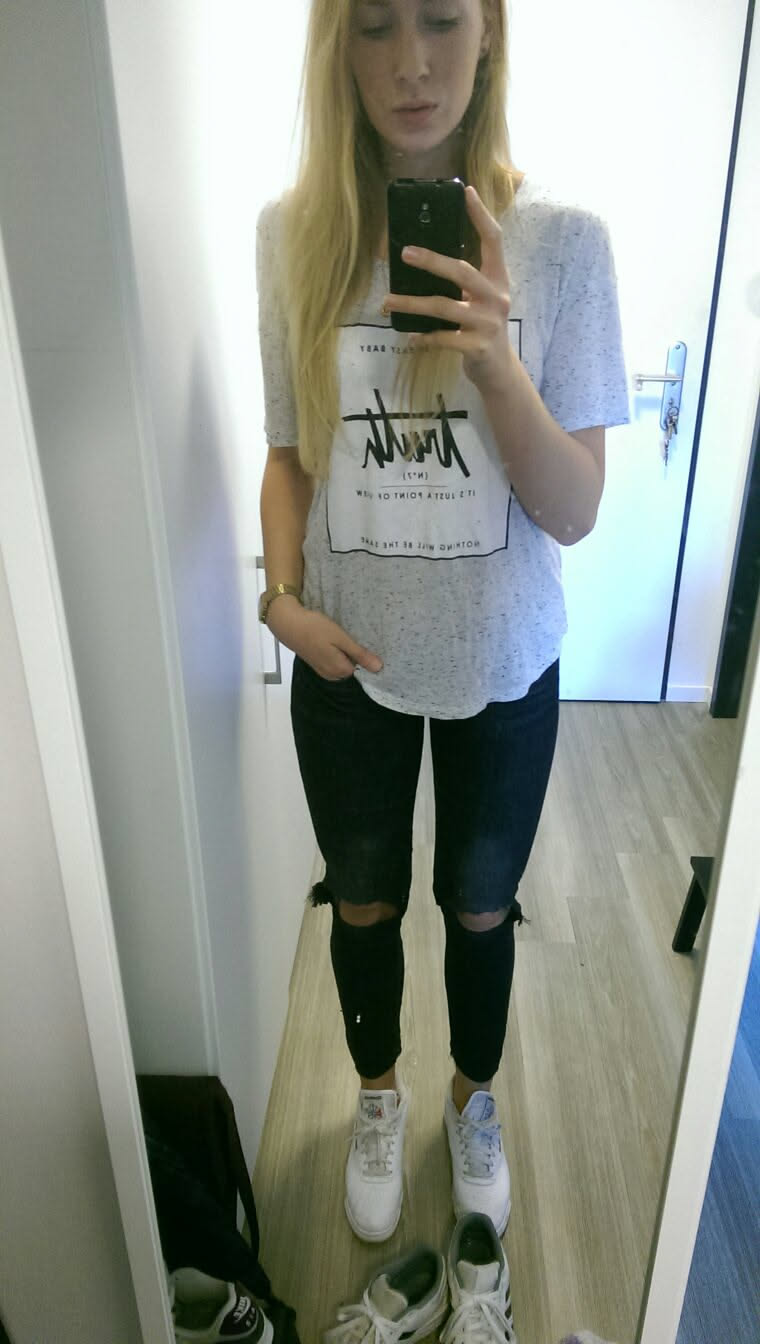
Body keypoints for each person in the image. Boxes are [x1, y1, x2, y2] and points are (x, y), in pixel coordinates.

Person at [257, 0, 627, 1268]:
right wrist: (280, 601)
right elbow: (290, 454)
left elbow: (574, 510)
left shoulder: (564, 245)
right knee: (360, 900)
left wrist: (497, 367)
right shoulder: (294, 238)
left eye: (439, 19)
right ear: (336, 46)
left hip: (502, 657)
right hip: (344, 654)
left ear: (489, 33)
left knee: (478, 905)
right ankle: (377, 1096)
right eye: (373, 25)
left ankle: (472, 1100)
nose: (410, 63)